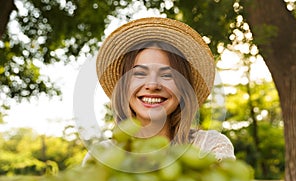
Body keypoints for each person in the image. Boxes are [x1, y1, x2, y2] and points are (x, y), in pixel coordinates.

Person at [83, 17, 235, 166]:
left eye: (167, 75)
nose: (153, 85)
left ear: (183, 89)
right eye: (140, 73)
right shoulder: (101, 155)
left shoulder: (210, 147)